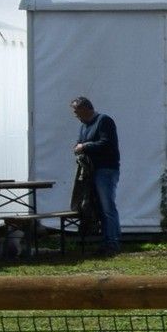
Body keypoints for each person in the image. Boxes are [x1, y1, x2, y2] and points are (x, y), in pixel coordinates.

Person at [71, 97, 120, 256]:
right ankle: (105, 241)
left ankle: (112, 242)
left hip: (105, 170)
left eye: (76, 111)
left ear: (85, 108)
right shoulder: (83, 126)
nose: (75, 115)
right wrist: (78, 147)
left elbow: (106, 143)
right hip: (91, 172)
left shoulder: (104, 121)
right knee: (98, 207)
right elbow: (79, 143)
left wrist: (84, 146)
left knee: (107, 207)